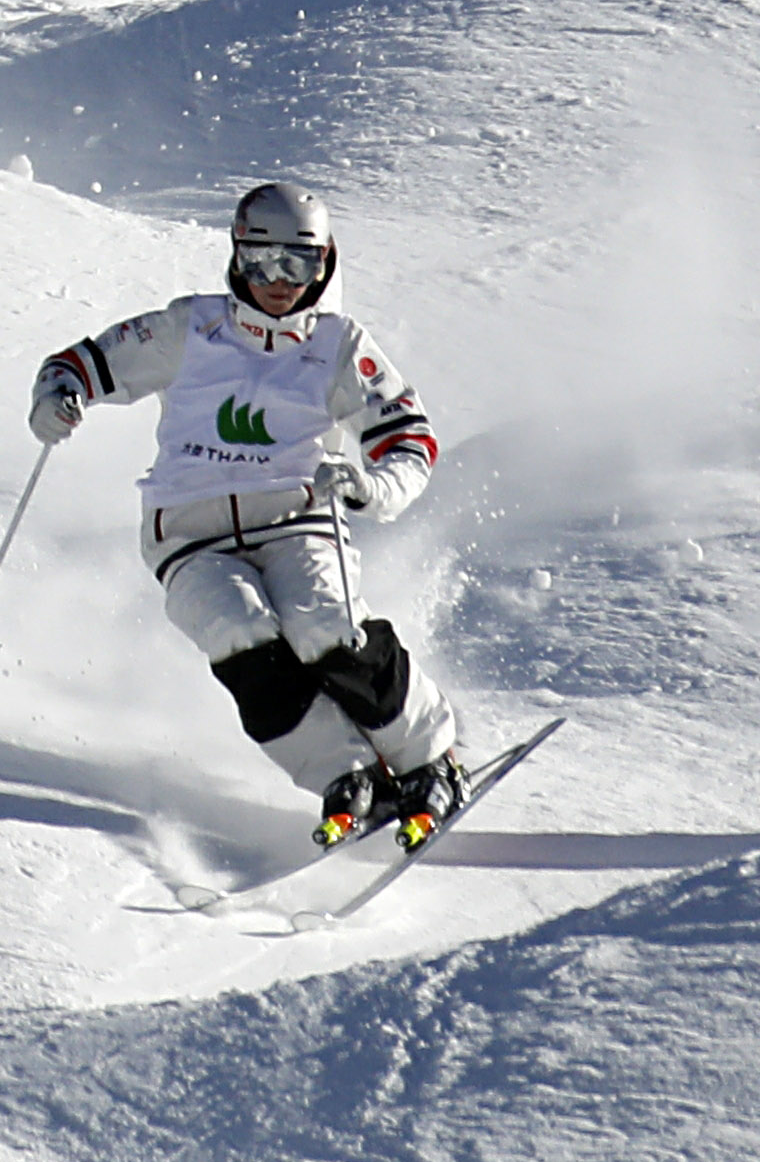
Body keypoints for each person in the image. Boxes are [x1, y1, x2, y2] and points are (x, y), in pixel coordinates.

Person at [28, 179, 466, 851]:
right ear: (236, 255)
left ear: (326, 265)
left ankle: (429, 758)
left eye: (301, 263)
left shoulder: (339, 346)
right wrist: (59, 398)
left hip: (298, 519)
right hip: (191, 535)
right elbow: (80, 364)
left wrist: (369, 487)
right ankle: (343, 772)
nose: (279, 281)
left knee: (324, 626)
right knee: (239, 634)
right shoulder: (190, 328)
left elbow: (409, 438)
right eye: (262, 261)